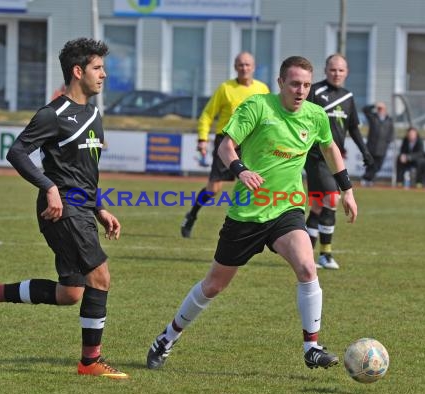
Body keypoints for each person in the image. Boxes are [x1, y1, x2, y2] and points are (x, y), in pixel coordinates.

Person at [146, 56, 358, 372]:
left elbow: (331, 150)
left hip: (287, 208)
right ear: (281, 83)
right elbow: (226, 146)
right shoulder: (258, 107)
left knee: (306, 266)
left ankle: (311, 346)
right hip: (247, 213)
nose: (301, 91)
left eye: (306, 85)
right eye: (295, 84)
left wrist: (347, 189)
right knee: (214, 286)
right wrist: (241, 170)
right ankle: (167, 337)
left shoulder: (316, 116)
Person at [0, 38, 128, 379]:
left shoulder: (94, 114)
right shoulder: (53, 115)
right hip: (61, 210)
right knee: (101, 275)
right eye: (98, 68)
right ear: (77, 72)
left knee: (70, 293)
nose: (104, 75)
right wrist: (49, 188)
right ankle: (90, 362)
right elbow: (17, 152)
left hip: (82, 208)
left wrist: (101, 209)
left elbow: (86, 172)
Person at [180, 51, 270, 238]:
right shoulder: (225, 88)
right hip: (227, 142)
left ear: (253, 67)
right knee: (214, 189)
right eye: (240, 64)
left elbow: (269, 116)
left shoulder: (262, 89)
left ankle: (250, 228)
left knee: (253, 185)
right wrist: (202, 139)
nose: (244, 68)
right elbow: (207, 114)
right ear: (235, 67)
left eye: (247, 65)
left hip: (251, 143)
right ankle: (192, 215)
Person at [304, 54, 373, 270]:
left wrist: (365, 151)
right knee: (332, 200)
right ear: (325, 70)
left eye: (341, 70)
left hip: (334, 159)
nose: (337, 73)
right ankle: (325, 255)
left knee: (316, 206)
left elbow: (353, 127)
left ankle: (306, 255)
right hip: (316, 158)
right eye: (333, 69)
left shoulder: (348, 96)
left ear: (347, 72)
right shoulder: (314, 91)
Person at [361, 102, 395, 186]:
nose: (380, 110)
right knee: (370, 164)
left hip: (382, 148)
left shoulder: (389, 120)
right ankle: (367, 180)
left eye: (382, 109)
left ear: (385, 110)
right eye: (379, 109)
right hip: (371, 146)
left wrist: (388, 141)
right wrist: (375, 105)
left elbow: (391, 133)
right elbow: (365, 110)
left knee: (378, 166)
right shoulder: (373, 117)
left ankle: (367, 178)